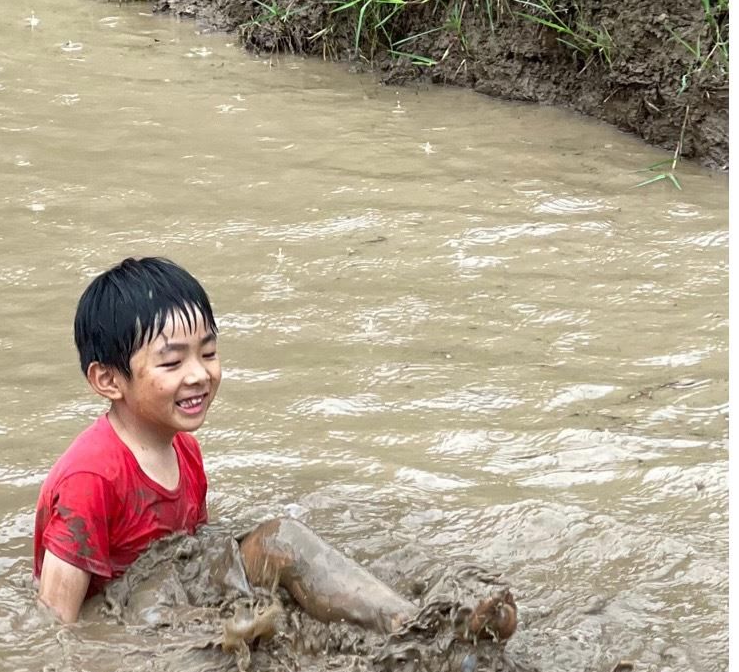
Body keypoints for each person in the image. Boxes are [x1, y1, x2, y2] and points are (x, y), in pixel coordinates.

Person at [32, 256, 516, 639]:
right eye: (172, 362)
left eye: (209, 352)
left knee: (282, 548)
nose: (199, 374)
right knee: (270, 578)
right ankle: (415, 632)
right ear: (108, 380)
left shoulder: (183, 450)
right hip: (132, 616)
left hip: (167, 591)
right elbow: (56, 623)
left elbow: (191, 555)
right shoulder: (91, 479)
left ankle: (417, 626)